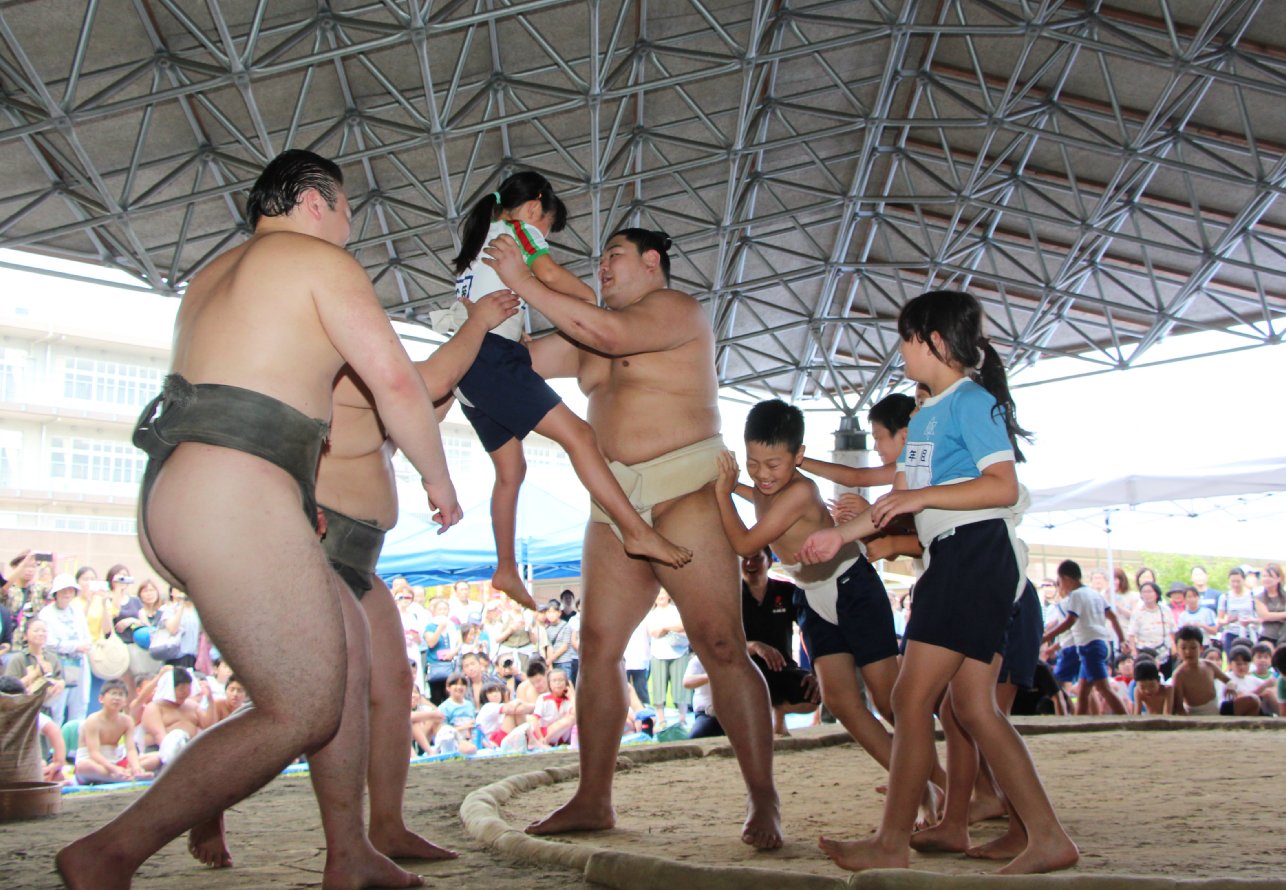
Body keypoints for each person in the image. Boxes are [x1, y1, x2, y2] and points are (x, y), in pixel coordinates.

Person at [57, 149, 463, 890]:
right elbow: (398, 382)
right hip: (232, 490)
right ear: (313, 203)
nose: (348, 227)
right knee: (300, 708)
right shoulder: (318, 261)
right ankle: (109, 851)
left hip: (184, 487)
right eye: (345, 210)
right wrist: (439, 480)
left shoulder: (214, 276)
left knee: (340, 662)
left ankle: (351, 854)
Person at [487, 226, 782, 848]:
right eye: (598, 262)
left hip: (686, 490)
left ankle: (764, 801)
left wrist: (525, 278)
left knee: (722, 645)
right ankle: (593, 799)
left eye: (613, 257)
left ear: (653, 261)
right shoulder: (584, 330)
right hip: (614, 502)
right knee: (595, 647)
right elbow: (518, 363)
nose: (603, 269)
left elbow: (612, 333)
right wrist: (482, 308)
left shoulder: (677, 311)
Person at [797, 289, 1076, 874]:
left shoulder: (973, 400)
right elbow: (897, 494)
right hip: (956, 557)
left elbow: (1001, 486)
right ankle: (1043, 835)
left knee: (910, 697)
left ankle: (892, 842)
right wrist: (839, 540)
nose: (899, 351)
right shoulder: (926, 413)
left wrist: (917, 497)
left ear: (934, 342)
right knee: (974, 708)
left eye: (905, 339)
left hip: (975, 553)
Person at [439, 173, 690, 604]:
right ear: (535, 208)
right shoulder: (519, 231)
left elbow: (475, 303)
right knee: (580, 437)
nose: (545, 237)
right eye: (548, 229)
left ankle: (505, 567)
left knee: (512, 471)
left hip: (471, 361)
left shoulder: (479, 240)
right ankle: (635, 530)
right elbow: (558, 281)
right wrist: (585, 299)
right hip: (490, 359)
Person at [713, 399, 942, 821]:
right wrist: (734, 487)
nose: (762, 474)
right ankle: (920, 787)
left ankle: (951, 785)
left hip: (852, 584)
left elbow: (746, 544)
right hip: (810, 596)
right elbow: (760, 500)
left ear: (799, 457)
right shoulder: (771, 489)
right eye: (753, 462)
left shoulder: (801, 491)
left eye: (774, 464)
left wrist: (722, 494)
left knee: (890, 701)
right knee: (843, 702)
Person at [737, 547, 819, 736]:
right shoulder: (730, 596)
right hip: (745, 667)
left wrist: (816, 671)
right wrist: (755, 646)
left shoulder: (787, 591)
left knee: (814, 694)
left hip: (782, 666)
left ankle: (779, 712)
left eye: (757, 558)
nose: (750, 564)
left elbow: (810, 630)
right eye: (744, 558)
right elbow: (725, 641)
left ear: (769, 562)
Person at [1041, 560, 1128, 715]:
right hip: (1100, 643)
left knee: (1103, 688)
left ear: (1067, 579)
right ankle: (1078, 722)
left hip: (1090, 645)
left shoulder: (1075, 595)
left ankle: (1128, 719)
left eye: (1060, 582)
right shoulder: (1094, 594)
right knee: (1083, 691)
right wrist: (1121, 639)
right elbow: (1113, 617)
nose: (1061, 586)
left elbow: (1069, 621)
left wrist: (1046, 637)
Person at [74, 681, 158, 785]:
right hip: (93, 762)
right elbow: (94, 753)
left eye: (121, 694)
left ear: (125, 702)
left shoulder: (127, 721)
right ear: (101, 699)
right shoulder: (93, 720)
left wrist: (136, 768)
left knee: (156, 757)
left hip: (116, 761)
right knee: (84, 766)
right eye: (113, 693)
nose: (117, 698)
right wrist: (113, 769)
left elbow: (131, 749)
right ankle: (120, 777)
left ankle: (131, 774)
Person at [39, 574, 92, 724]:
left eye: (70, 590)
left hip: (79, 664)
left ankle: (74, 745)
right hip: (58, 665)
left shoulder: (77, 611)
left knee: (79, 707)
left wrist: (84, 646)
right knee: (57, 708)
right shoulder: (46, 613)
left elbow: (86, 636)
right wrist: (73, 646)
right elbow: (48, 642)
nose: (67, 594)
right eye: (63, 591)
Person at [644, 591, 690, 732]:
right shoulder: (651, 614)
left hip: (679, 652)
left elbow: (684, 626)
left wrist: (664, 627)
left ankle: (682, 719)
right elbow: (654, 632)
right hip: (658, 654)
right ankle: (661, 720)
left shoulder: (677, 610)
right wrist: (670, 627)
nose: (660, 596)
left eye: (663, 593)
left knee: (681, 689)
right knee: (659, 689)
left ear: (669, 595)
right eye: (657, 593)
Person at [1171, 626, 1229, 715]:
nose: (1188, 652)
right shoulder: (1178, 675)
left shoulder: (1209, 665)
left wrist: (1230, 686)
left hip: (1216, 710)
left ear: (1201, 648)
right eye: (1183, 648)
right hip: (1193, 715)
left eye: (1193, 647)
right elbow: (1178, 706)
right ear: (1178, 650)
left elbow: (1228, 681)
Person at [1217, 568, 1259, 654]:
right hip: (1232, 633)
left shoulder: (1252, 595)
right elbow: (1219, 619)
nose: (1235, 584)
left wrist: (1251, 620)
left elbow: (1260, 618)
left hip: (1249, 633)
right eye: (1233, 581)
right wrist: (1227, 621)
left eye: (1238, 581)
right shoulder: (1225, 597)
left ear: (1243, 580)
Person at [1254, 563, 1286, 646]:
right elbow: (1265, 616)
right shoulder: (1259, 597)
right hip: (1267, 637)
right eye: (1264, 576)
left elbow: (1269, 617)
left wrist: (1273, 616)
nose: (1266, 579)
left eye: (1270, 576)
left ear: (1279, 579)